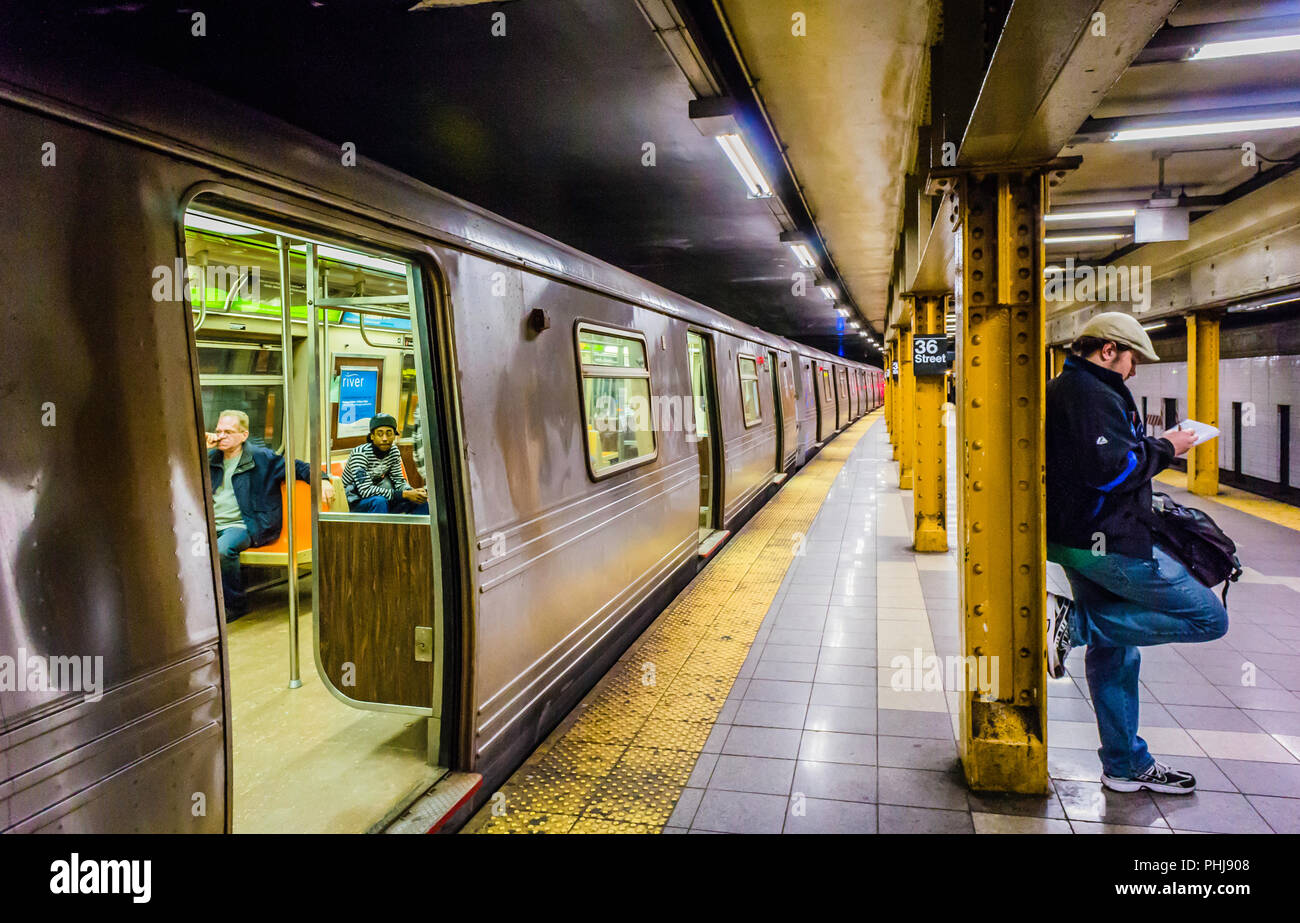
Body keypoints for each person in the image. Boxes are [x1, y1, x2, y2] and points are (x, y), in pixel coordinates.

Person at [1044, 312, 1227, 795]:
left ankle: (1125, 764)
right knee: (1209, 617)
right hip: (1104, 541)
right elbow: (1112, 473)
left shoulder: (1076, 388)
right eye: (1132, 360)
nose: (1133, 370)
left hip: (1079, 538)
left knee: (1117, 653)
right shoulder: (1089, 394)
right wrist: (1167, 447)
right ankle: (1071, 625)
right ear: (1108, 350)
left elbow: (1105, 458)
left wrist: (1149, 445)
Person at [206, 410, 334, 622]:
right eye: (219, 431)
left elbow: (298, 467)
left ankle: (236, 606)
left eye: (228, 431)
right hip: (211, 523)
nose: (221, 436)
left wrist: (322, 479)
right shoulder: (210, 458)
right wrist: (200, 450)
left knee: (221, 551)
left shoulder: (261, 458)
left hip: (244, 525)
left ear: (244, 435)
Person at [342, 413, 429, 514]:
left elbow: (399, 481)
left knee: (419, 501)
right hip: (355, 501)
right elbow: (365, 491)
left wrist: (412, 492)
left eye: (389, 433)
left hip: (382, 497)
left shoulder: (393, 451)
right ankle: (382, 530)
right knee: (379, 501)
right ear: (372, 436)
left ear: (394, 435)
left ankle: (421, 530)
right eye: (380, 434)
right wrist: (404, 494)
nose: (384, 438)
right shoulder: (360, 454)